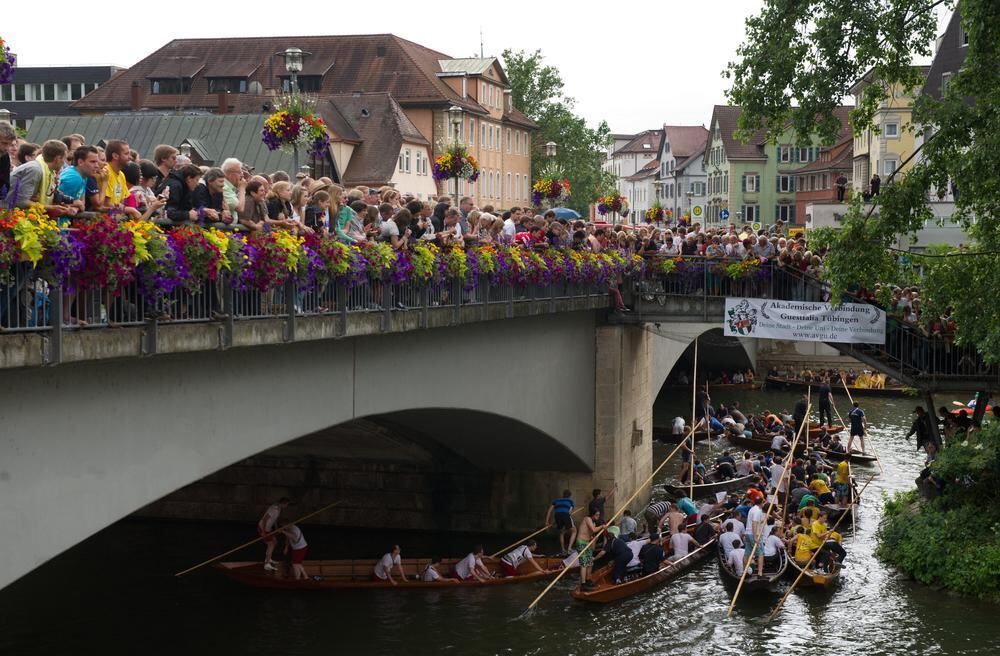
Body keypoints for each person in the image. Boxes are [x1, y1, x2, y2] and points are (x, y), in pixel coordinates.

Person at [7, 140, 74, 215]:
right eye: (64, 158)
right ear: (57, 159)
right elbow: (21, 202)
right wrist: (51, 208)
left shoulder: (49, 172)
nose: (64, 163)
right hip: (7, 215)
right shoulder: (35, 169)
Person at [257, 497, 290, 570]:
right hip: (262, 528)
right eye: (287, 504)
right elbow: (265, 519)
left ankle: (268, 559)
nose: (287, 506)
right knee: (271, 545)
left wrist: (276, 527)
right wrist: (263, 532)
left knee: (275, 542)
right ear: (283, 503)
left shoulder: (279, 509)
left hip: (268, 529)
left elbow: (274, 519)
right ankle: (267, 564)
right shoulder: (274, 509)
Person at [575, 507, 602, 590]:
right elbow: (594, 530)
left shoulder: (593, 522)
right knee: (584, 563)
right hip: (581, 543)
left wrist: (593, 540)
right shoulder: (587, 519)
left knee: (590, 562)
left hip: (587, 543)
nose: (598, 516)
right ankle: (583, 584)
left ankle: (588, 580)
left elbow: (590, 536)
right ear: (592, 514)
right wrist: (602, 526)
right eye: (597, 515)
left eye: (599, 515)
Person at [545, 489, 575, 555]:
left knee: (561, 532)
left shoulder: (556, 500)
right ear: (570, 496)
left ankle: (563, 550)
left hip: (557, 515)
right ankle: (569, 549)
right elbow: (569, 512)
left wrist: (547, 522)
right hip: (565, 515)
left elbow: (549, 511)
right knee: (574, 531)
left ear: (563, 495)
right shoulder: (570, 501)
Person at [744, 496, 766, 575]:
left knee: (747, 552)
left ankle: (745, 570)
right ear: (762, 503)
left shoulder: (752, 509)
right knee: (761, 553)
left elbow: (755, 522)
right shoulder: (757, 511)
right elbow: (754, 523)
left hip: (748, 533)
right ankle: (760, 573)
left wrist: (763, 520)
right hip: (754, 534)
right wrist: (755, 537)